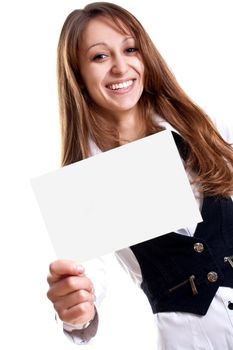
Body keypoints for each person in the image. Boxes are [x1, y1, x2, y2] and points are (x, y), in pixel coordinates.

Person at [46, 2, 233, 348]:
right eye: (100, 57)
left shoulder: (202, 126)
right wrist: (75, 309)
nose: (121, 67)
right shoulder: (84, 180)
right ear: (78, 73)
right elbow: (86, 289)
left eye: (130, 49)